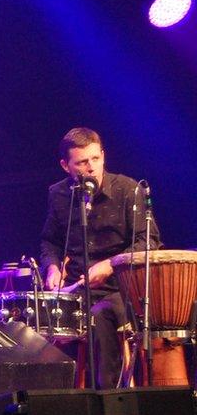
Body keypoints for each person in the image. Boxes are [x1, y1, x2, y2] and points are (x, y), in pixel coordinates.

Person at [40, 127, 160, 388]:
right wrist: (52, 268)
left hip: (121, 288)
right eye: (82, 162)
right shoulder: (58, 194)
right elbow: (50, 241)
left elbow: (148, 241)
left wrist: (111, 265)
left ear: (103, 156)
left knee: (100, 316)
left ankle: (106, 400)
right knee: (39, 320)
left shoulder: (128, 190)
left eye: (96, 158)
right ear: (65, 165)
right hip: (76, 287)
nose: (91, 167)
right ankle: (57, 403)